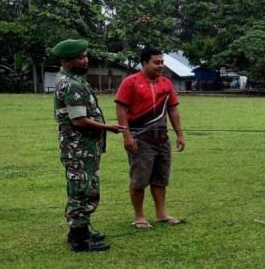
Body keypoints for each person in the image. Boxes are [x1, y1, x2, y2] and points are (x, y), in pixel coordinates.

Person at [53, 39, 125, 252]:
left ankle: (80, 231)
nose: (86, 60)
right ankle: (80, 240)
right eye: (80, 57)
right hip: (79, 148)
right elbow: (79, 121)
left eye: (86, 56)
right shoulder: (71, 85)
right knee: (81, 190)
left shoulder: (71, 79)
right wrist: (107, 127)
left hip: (83, 147)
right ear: (66, 61)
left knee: (85, 188)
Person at [114, 46, 186, 229]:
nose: (161, 66)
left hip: (162, 139)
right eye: (156, 62)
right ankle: (139, 216)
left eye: (162, 62)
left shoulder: (166, 83)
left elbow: (172, 109)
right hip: (140, 139)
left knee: (161, 178)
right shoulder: (130, 82)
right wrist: (127, 136)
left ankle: (161, 214)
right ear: (145, 62)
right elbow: (121, 109)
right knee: (139, 179)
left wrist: (179, 134)